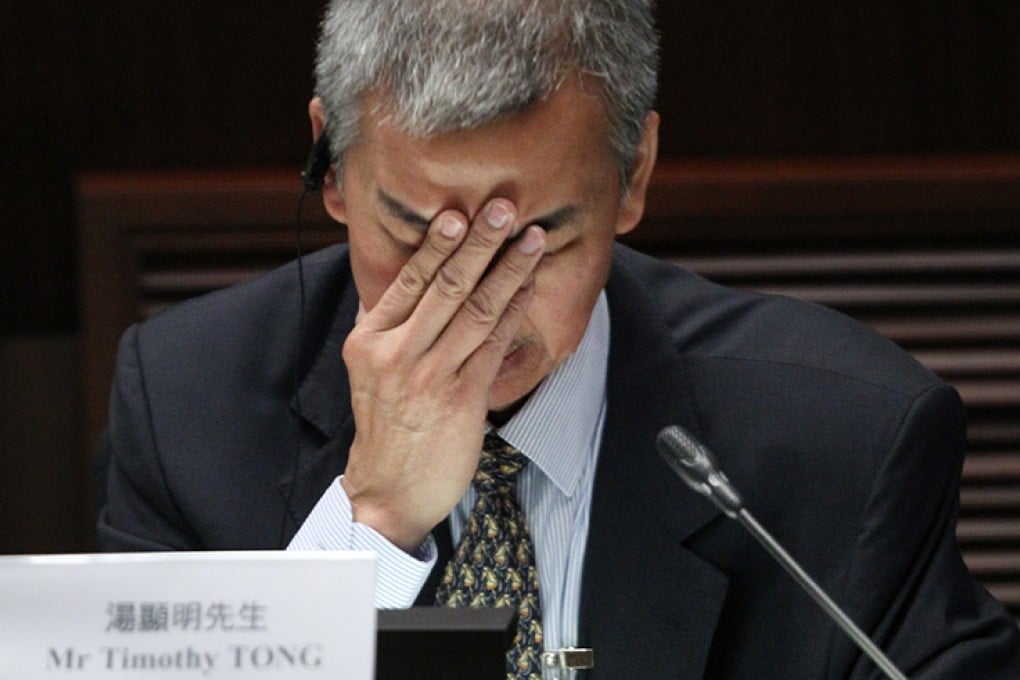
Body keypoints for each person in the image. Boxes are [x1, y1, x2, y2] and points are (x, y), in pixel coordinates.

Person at [97, 0, 1020, 677]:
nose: (481, 304)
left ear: (635, 178)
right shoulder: (186, 410)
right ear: (328, 167)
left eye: (541, 242)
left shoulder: (844, 445)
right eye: (422, 238)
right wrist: (369, 527)